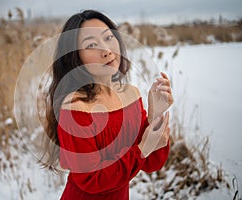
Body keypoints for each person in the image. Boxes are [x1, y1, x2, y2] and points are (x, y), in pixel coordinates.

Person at [41, 9, 174, 200]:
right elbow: (92, 180)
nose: (106, 50)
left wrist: (155, 116)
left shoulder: (131, 94)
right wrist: (142, 148)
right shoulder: (75, 107)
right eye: (91, 45)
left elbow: (151, 163)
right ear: (75, 58)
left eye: (108, 38)